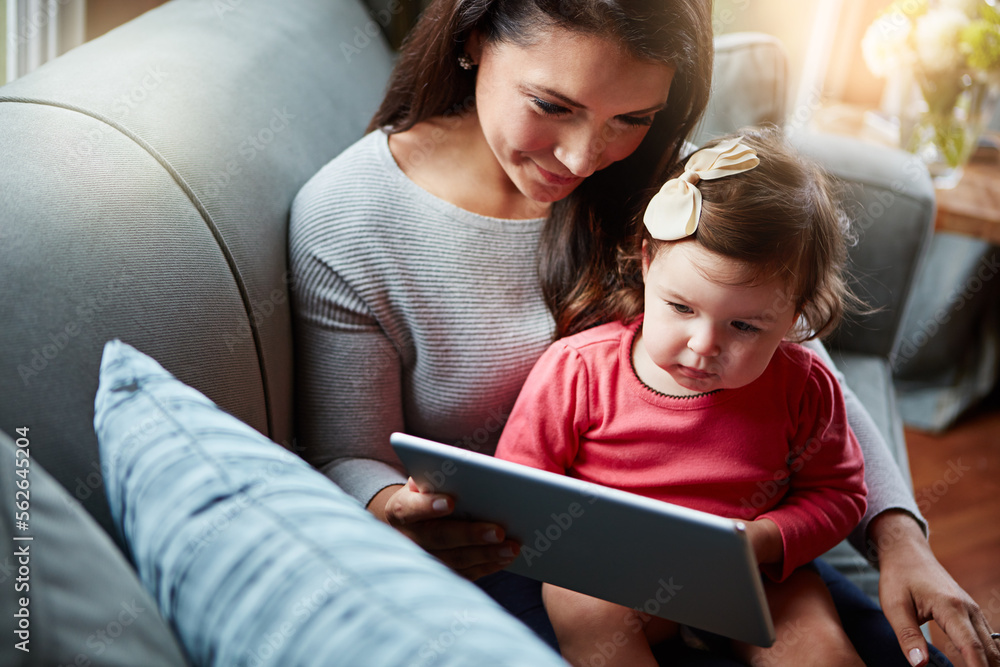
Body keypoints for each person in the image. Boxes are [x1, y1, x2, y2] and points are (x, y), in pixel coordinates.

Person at [288, 0, 1000, 664]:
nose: (581, 156)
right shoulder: (350, 218)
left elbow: (800, 364)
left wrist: (901, 535)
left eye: (632, 117)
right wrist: (395, 509)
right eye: (551, 105)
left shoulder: (673, 181)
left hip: (741, 552)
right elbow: (348, 452)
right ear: (473, 38)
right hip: (530, 562)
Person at [494, 128, 870, 665]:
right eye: (681, 308)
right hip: (613, 572)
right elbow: (518, 489)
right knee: (581, 604)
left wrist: (765, 539)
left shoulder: (803, 387)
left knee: (821, 651)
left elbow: (839, 495)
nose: (704, 345)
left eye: (744, 326)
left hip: (753, 574)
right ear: (647, 262)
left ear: (796, 315)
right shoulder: (579, 370)